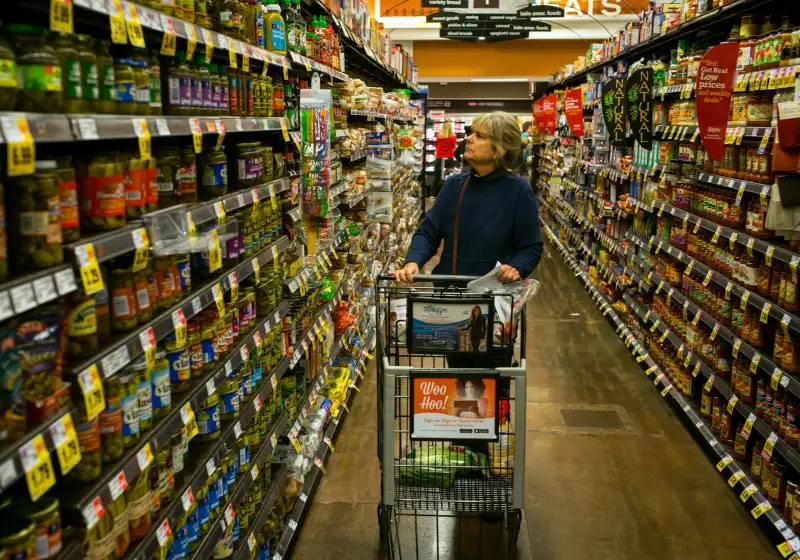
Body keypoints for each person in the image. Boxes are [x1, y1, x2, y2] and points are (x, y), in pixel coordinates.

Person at [396, 111, 543, 285]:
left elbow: (530, 246)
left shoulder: (519, 191)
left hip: (495, 294)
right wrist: (413, 260)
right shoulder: (454, 185)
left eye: (480, 136)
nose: (469, 139)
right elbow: (428, 233)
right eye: (471, 133)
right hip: (450, 292)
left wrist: (516, 267)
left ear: (499, 149)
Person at [433, 120, 457, 197]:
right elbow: (453, 146)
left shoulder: (439, 135)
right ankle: (450, 194)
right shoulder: (453, 136)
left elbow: (436, 145)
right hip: (449, 157)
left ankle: (433, 194)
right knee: (450, 176)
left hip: (439, 157)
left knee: (436, 176)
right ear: (450, 127)